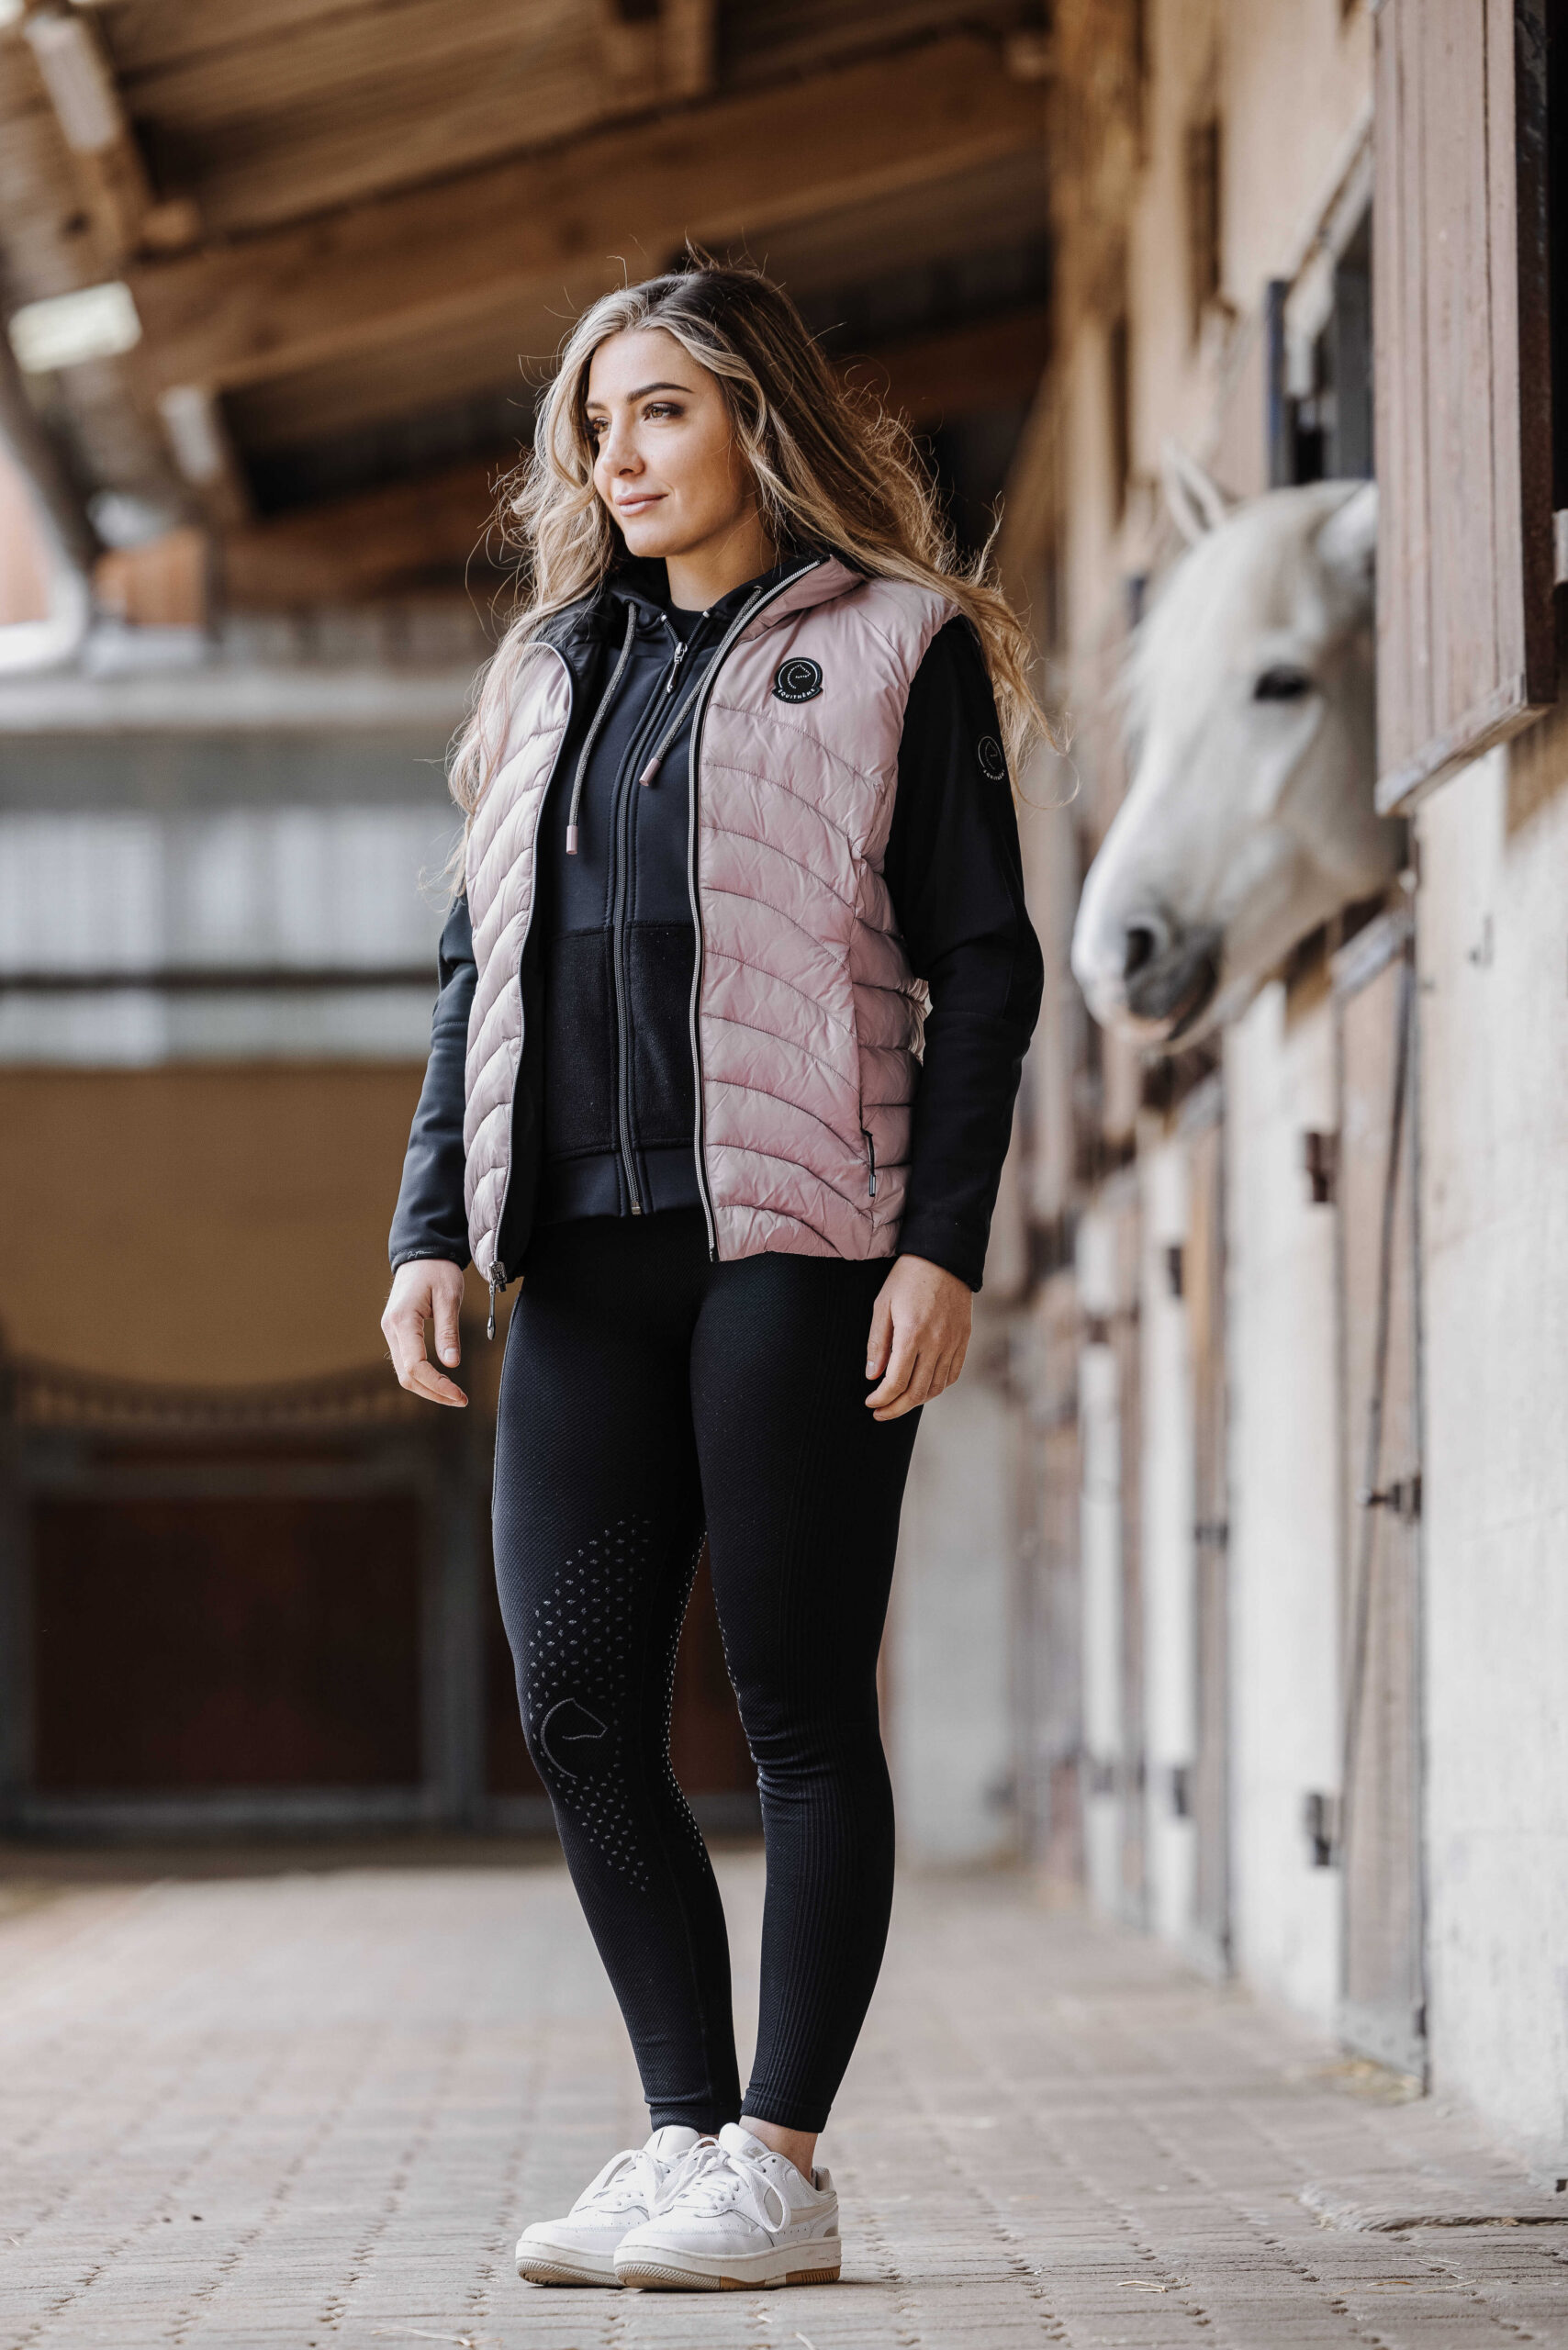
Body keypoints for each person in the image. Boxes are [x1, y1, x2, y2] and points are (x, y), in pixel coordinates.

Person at [383, 259, 1046, 2294]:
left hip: (800, 1242)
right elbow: (475, 973)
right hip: (582, 1254)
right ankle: (683, 2134)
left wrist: (939, 1244)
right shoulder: (543, 673)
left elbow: (984, 963)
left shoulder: (895, 646)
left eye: (659, 409)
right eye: (597, 423)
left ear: (757, 417)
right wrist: (428, 1224)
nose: (619, 454)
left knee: (795, 1707)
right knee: (576, 1698)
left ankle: (783, 2157)